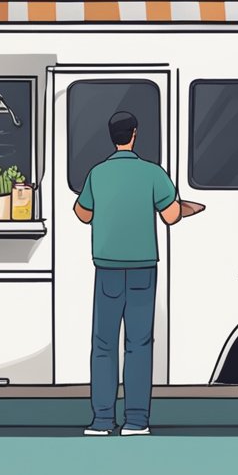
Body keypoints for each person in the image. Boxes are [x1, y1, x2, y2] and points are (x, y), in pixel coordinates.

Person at [74, 111, 201, 437]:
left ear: (111, 136)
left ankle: (102, 420)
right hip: (143, 268)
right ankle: (136, 421)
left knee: (103, 344)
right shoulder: (153, 173)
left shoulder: (97, 173)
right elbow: (171, 216)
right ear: (135, 134)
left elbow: (83, 214)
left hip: (107, 268)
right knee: (139, 344)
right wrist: (186, 207)